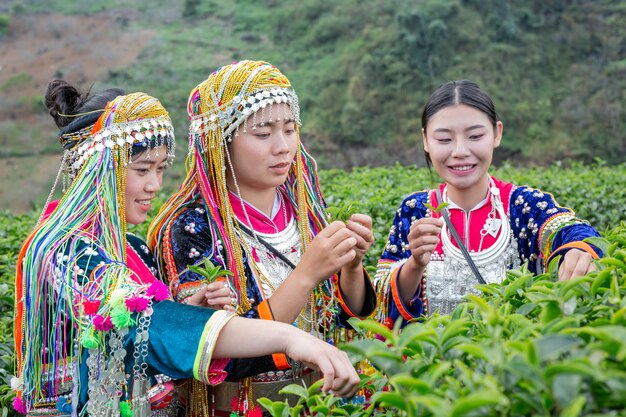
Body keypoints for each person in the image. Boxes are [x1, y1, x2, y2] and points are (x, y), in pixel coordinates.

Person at [13, 81, 359, 417]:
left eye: (161, 168)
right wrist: (288, 337)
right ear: (96, 169)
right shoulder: (61, 249)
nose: (155, 185)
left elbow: (157, 333)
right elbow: (146, 323)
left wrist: (192, 310)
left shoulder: (131, 246)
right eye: (142, 169)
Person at [148, 60, 377, 415]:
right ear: (220, 142)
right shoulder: (191, 227)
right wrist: (305, 275)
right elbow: (218, 349)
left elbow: (345, 317)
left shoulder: (306, 209)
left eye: (289, 129)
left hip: (321, 402)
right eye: (263, 133)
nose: (283, 146)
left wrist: (352, 265)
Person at [374, 79, 602, 326]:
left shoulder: (524, 205)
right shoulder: (415, 210)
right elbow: (382, 302)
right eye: (444, 139)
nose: (460, 151)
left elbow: (571, 230)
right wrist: (415, 264)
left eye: (475, 136)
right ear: (426, 141)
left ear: (497, 133)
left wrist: (580, 248)